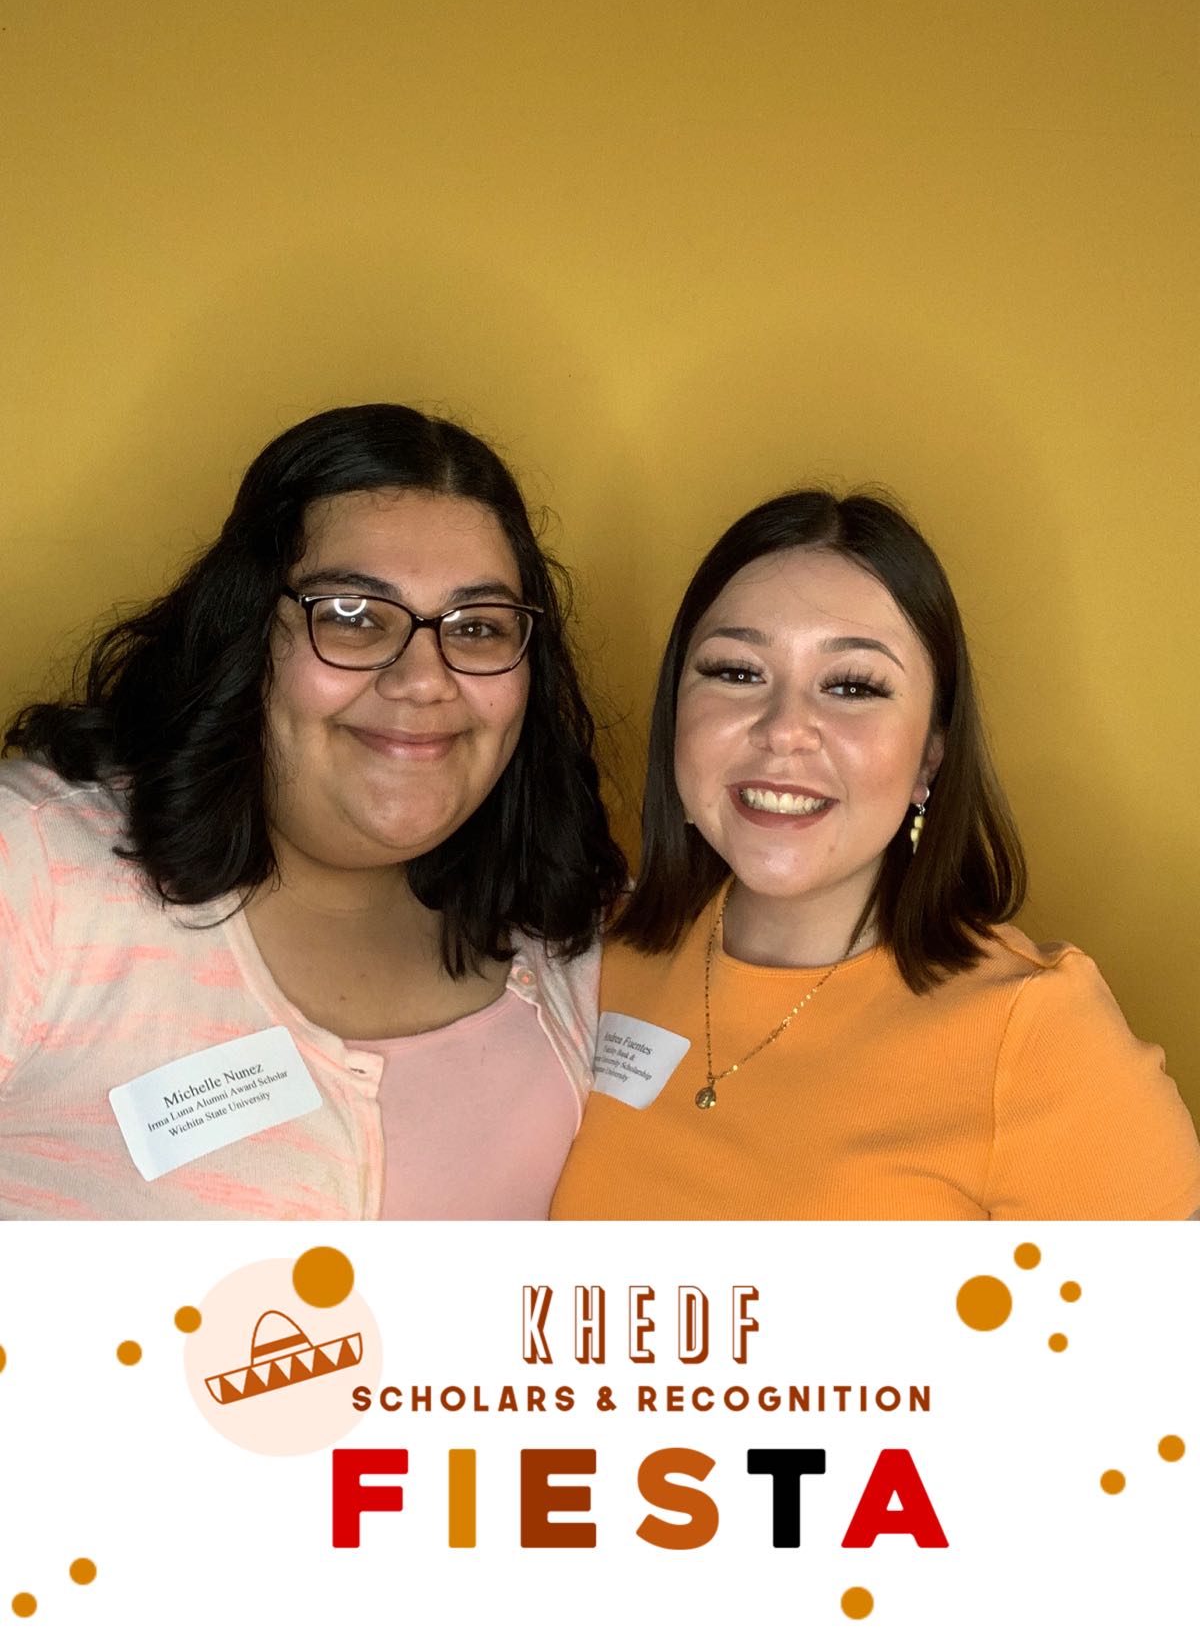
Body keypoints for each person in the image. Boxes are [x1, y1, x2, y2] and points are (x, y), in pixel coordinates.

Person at [0, 403, 625, 1219]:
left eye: (477, 627)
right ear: (249, 635)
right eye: (353, 616)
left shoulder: (575, 930)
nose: (423, 680)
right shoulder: (34, 868)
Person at [552, 489, 1200, 1221]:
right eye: (736, 672)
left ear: (930, 757)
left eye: (853, 686)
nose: (784, 729)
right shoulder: (591, 960)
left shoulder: (1035, 1033)